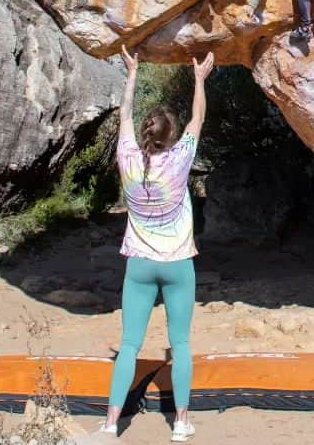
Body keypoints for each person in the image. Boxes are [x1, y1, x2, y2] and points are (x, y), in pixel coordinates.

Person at [99, 46, 213, 442]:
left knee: (129, 344)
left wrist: (132, 73)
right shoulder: (181, 159)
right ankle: (181, 422)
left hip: (139, 264)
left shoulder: (127, 158)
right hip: (178, 263)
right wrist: (199, 79)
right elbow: (198, 118)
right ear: (171, 135)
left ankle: (112, 422)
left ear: (147, 134)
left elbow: (124, 116)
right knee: (179, 344)